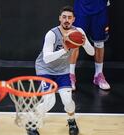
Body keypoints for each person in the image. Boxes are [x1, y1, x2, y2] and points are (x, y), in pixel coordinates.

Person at [34, 6, 95, 135]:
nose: (66, 20)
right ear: (60, 18)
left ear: (74, 19)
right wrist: (64, 49)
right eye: (64, 17)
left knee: (68, 100)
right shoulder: (52, 34)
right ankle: (32, 123)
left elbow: (92, 52)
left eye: (69, 17)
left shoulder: (78, 32)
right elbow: (47, 58)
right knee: (50, 101)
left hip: (62, 70)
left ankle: (72, 121)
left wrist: (84, 42)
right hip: (45, 69)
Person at [69, 0, 111, 90]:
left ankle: (98, 75)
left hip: (100, 6)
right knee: (75, 41)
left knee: (99, 41)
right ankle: (70, 76)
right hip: (81, 6)